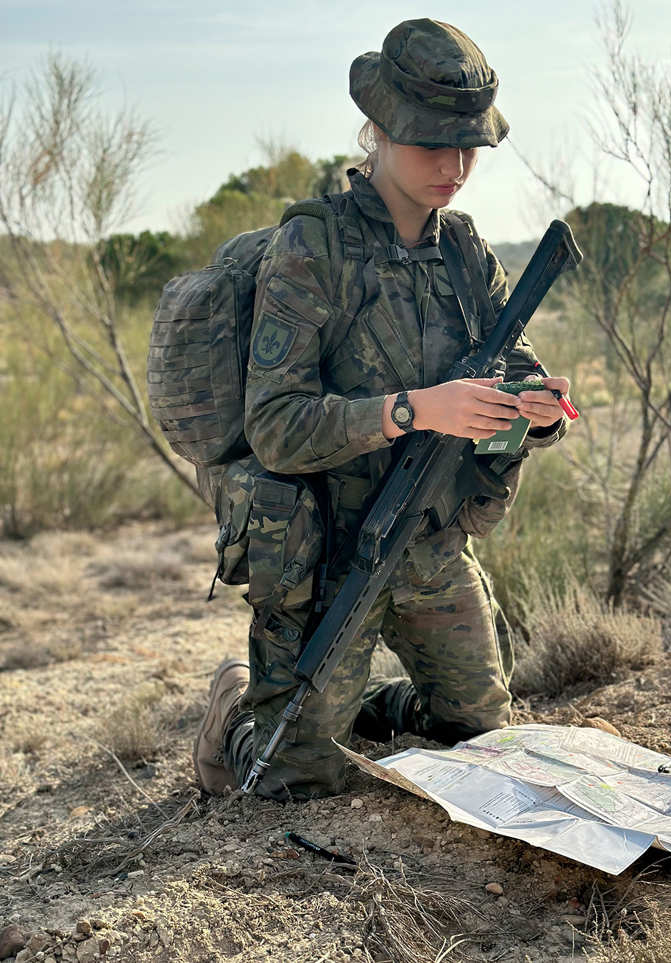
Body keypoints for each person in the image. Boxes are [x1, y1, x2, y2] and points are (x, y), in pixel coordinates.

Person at [193, 18, 571, 800]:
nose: (455, 165)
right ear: (380, 132)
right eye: (434, 142)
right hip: (328, 548)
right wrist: (414, 409)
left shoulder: (464, 251)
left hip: (428, 539)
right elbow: (276, 425)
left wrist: (537, 411)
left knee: (481, 745)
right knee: (294, 781)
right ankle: (235, 712)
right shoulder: (312, 247)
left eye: (469, 145)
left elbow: (519, 370)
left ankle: (369, 707)